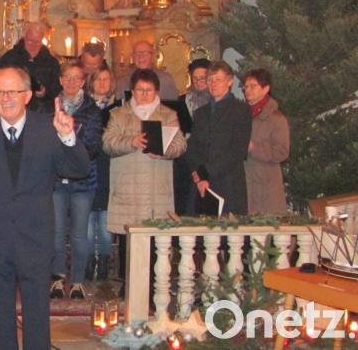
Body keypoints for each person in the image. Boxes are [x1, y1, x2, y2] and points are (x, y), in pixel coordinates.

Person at [0, 67, 90, 350]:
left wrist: (69, 138)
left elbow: (79, 169)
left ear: (28, 96)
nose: (5, 98)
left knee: (37, 314)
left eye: (13, 91)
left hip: (35, 237)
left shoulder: (48, 128)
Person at [103, 69, 186, 296]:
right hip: (127, 188)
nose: (144, 94)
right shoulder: (118, 114)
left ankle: (151, 287)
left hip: (155, 190)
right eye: (139, 90)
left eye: (149, 90)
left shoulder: (168, 114)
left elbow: (180, 145)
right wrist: (132, 141)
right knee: (127, 241)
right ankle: (128, 286)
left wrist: (164, 151)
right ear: (133, 90)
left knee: (153, 242)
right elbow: (108, 144)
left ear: (157, 91)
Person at [50, 60, 104, 300]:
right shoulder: (48, 107)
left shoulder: (92, 110)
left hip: (83, 180)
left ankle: (79, 281)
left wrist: (70, 143)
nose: (71, 82)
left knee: (80, 234)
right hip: (55, 180)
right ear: (60, 80)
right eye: (67, 77)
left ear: (83, 81)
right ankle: (58, 278)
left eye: (76, 78)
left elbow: (93, 147)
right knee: (57, 232)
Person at [185, 61, 252, 215]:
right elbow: (193, 146)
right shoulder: (201, 113)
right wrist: (196, 172)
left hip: (227, 182)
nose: (213, 84)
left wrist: (206, 173)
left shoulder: (240, 110)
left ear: (230, 81)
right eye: (210, 80)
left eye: (218, 80)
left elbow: (237, 150)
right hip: (201, 182)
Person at [85, 65, 122, 281]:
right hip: (89, 168)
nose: (102, 84)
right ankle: (90, 262)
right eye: (98, 79)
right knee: (89, 222)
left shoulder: (118, 109)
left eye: (106, 79)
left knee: (107, 221)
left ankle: (105, 262)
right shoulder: (86, 107)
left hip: (110, 167)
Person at [243, 69, 290, 214]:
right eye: (246, 87)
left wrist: (253, 147)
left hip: (266, 185)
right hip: (246, 181)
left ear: (266, 89)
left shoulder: (276, 118)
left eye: (253, 86)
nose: (248, 90)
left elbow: (282, 151)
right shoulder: (243, 115)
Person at [173, 58, 211, 216]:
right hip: (184, 158)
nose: (199, 82)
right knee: (185, 203)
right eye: (195, 78)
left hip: (207, 158)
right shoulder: (182, 101)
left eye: (203, 78)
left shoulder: (215, 102)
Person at [0, 21, 61, 114]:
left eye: (37, 42)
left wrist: (45, 91)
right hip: (14, 106)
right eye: (30, 41)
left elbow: (57, 88)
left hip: (42, 110)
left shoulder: (51, 62)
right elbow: (0, 82)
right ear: (24, 38)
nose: (33, 44)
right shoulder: (9, 58)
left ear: (42, 40)